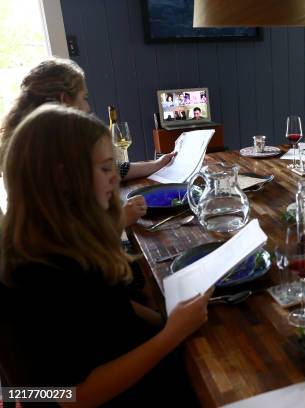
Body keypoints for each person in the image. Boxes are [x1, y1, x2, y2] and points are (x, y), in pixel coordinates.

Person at [0, 104, 210, 406]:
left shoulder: (62, 237)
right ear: (63, 178)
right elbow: (72, 397)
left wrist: (166, 318)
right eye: (104, 168)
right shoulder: (38, 272)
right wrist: (171, 334)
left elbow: (109, 308)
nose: (115, 178)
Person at [0, 58, 177, 225]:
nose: (88, 107)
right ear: (65, 100)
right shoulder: (43, 155)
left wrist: (156, 164)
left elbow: (108, 169)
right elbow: (68, 233)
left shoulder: (29, 140)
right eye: (84, 97)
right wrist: (122, 218)